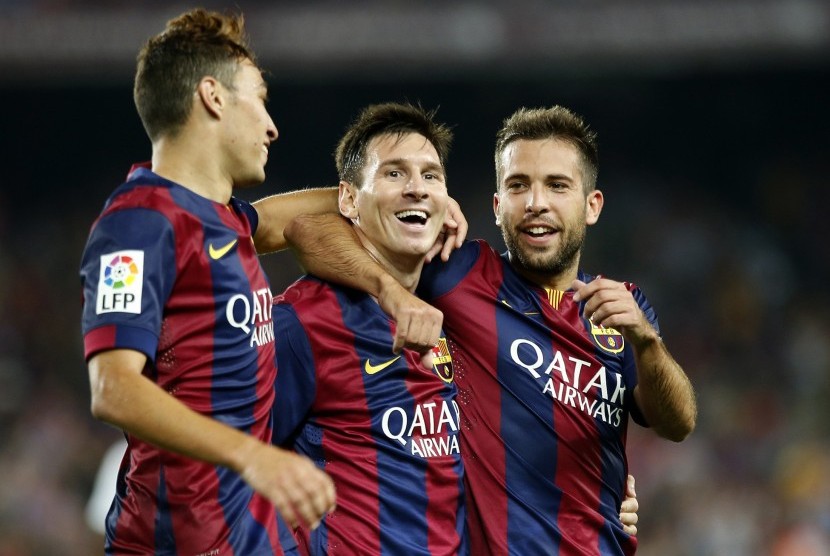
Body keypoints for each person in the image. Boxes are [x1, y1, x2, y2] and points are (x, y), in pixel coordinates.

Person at [283, 105, 694, 555]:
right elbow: (308, 231)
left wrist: (647, 342)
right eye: (519, 186)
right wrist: (396, 249)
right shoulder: (458, 274)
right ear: (497, 206)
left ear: (591, 205)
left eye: (557, 185)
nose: (536, 202)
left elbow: (677, 423)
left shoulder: (622, 311)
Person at [79, 9, 336, 554]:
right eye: (260, 98)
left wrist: (396, 194)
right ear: (214, 97)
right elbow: (114, 388)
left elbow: (280, 220)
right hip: (173, 541)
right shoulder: (138, 222)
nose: (272, 125)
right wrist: (252, 455)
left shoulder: (221, 220)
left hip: (249, 531)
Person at [270, 102, 467, 555]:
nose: (417, 189)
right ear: (348, 199)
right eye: (394, 174)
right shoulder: (303, 324)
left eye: (431, 176)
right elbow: (225, 464)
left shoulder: (459, 309)